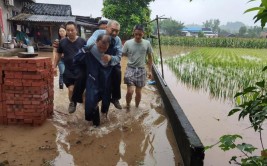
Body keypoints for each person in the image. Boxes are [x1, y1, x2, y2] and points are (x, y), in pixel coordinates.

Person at [73, 34, 113, 126]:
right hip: (93, 80)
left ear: (108, 46)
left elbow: (114, 66)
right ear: (96, 42)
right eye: (100, 47)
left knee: (105, 102)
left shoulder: (111, 53)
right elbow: (76, 60)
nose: (102, 50)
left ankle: (103, 118)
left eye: (105, 48)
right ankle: (95, 126)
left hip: (105, 81)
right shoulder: (89, 51)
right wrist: (84, 50)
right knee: (91, 102)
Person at [86, 19, 123, 109]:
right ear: (107, 27)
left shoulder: (117, 40)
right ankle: (76, 99)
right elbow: (89, 44)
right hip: (96, 61)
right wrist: (101, 56)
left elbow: (119, 56)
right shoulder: (98, 32)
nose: (114, 33)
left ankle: (115, 98)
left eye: (117, 31)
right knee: (82, 75)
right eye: (112, 30)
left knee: (118, 72)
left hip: (110, 63)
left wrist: (110, 58)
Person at [53, 21, 86, 114]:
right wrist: (54, 66)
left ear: (76, 30)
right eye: (68, 30)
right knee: (71, 89)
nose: (70, 32)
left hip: (80, 70)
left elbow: (88, 54)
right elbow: (58, 55)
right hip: (68, 69)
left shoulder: (82, 41)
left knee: (82, 92)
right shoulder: (62, 42)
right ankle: (72, 102)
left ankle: (84, 110)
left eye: (72, 30)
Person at [122, 25, 153, 109]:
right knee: (130, 91)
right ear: (133, 33)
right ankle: (128, 105)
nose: (138, 36)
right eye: (136, 34)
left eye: (140, 34)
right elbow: (122, 55)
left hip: (141, 70)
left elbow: (150, 58)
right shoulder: (128, 43)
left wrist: (150, 71)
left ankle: (136, 107)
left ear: (143, 33)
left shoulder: (147, 43)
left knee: (138, 92)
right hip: (130, 69)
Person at [52, 25, 66, 89]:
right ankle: (61, 86)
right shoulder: (57, 41)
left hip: (68, 59)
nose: (61, 32)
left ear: (66, 32)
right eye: (60, 31)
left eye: (63, 31)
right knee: (62, 72)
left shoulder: (69, 40)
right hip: (60, 59)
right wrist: (54, 61)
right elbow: (54, 51)